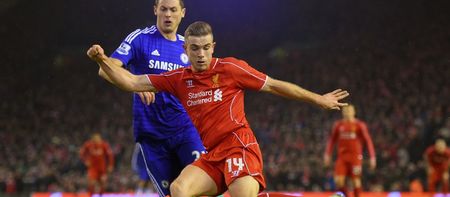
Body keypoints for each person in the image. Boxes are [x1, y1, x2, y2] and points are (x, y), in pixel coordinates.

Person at [87, 21, 349, 196]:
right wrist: (102, 60)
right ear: (185, 49)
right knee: (179, 189)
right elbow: (131, 81)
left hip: (239, 146)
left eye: (205, 48)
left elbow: (275, 86)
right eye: (194, 48)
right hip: (213, 154)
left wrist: (319, 99)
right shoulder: (179, 79)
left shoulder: (230, 69)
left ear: (213, 47)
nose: (201, 54)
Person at [96, 0, 205, 195]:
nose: (168, 15)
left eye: (173, 10)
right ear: (155, 10)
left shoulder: (188, 47)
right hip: (152, 136)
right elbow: (107, 69)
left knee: (204, 185)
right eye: (163, 9)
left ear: (183, 13)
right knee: (172, 193)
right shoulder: (140, 39)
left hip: (185, 131)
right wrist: (135, 84)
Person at [323, 104, 376, 197]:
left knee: (356, 182)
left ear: (354, 112)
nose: (347, 113)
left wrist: (372, 157)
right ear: (342, 112)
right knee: (338, 181)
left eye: (349, 111)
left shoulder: (359, 125)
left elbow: (368, 141)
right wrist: (327, 154)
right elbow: (332, 140)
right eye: (345, 111)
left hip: (355, 158)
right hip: (342, 157)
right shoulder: (338, 125)